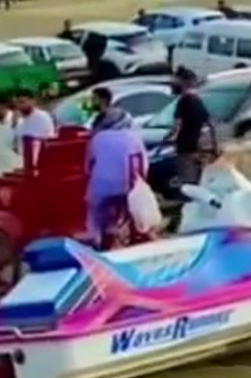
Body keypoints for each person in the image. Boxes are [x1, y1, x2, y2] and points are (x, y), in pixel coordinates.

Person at [86, 101, 155, 250]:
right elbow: (143, 163)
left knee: (99, 212)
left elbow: (89, 164)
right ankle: (136, 234)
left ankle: (101, 238)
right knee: (130, 210)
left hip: (101, 187)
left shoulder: (97, 139)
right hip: (127, 184)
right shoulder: (132, 137)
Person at [168, 69, 212, 187]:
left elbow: (177, 126)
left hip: (185, 147)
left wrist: (168, 137)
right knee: (199, 180)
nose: (173, 84)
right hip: (198, 147)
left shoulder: (183, 101)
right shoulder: (198, 101)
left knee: (187, 181)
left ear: (183, 82)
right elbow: (207, 122)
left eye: (175, 80)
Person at [13, 89, 56, 163]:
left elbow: (46, 141)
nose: (20, 106)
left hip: (42, 162)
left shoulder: (43, 117)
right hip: (24, 162)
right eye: (18, 103)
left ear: (32, 101)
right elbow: (18, 147)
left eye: (22, 102)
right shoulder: (20, 123)